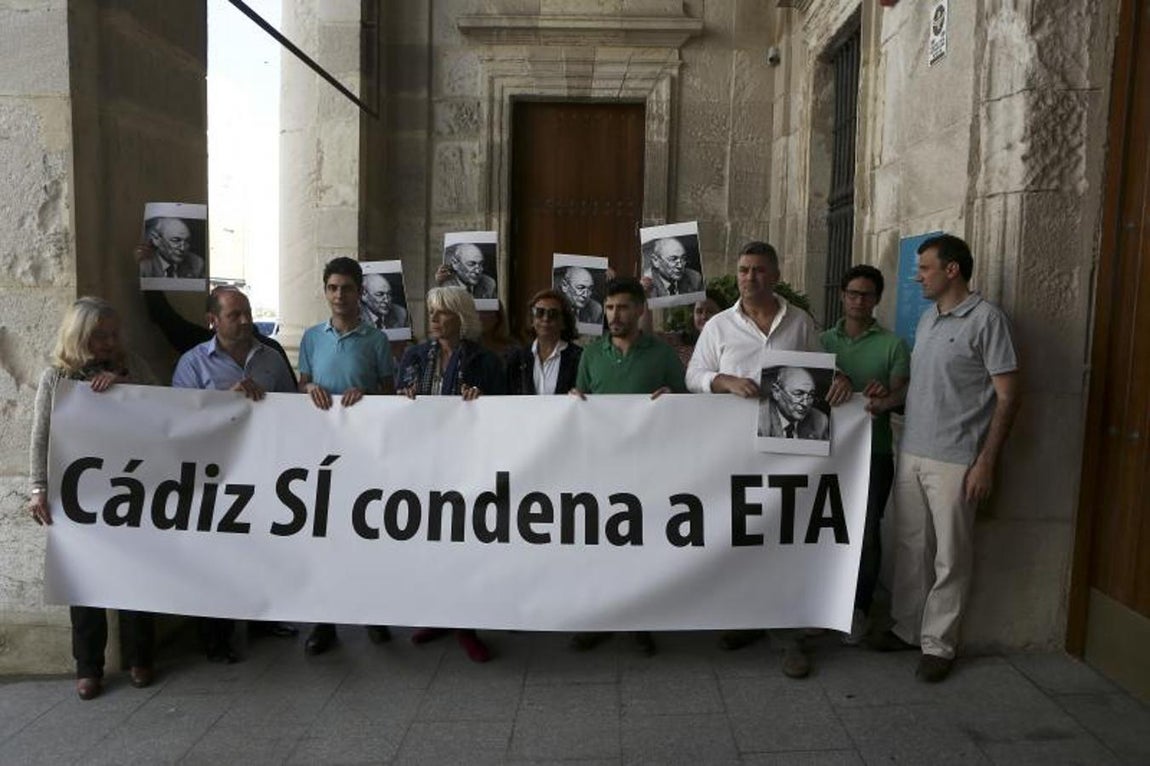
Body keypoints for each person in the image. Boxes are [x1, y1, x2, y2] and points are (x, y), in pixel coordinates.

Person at [685, 241, 852, 679]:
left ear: (775, 275)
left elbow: (822, 372)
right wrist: (722, 380)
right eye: (743, 270)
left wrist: (841, 380)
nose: (750, 277)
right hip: (732, 453)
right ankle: (747, 620)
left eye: (759, 270)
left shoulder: (799, 322)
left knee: (783, 538)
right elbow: (693, 375)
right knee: (741, 536)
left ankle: (787, 635)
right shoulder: (719, 326)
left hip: (787, 454)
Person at [869, 234, 1019, 683]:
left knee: (950, 556)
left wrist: (987, 462)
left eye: (926, 268)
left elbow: (1009, 396)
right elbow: (921, 386)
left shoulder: (987, 320)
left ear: (952, 270)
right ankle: (906, 628)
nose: (917, 277)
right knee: (912, 547)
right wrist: (886, 400)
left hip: (958, 459)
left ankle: (939, 644)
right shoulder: (930, 320)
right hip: (912, 449)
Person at [27, 297, 157, 700]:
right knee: (85, 583)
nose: (108, 342)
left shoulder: (132, 367)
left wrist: (125, 388)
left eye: (113, 334)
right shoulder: (57, 377)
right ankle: (88, 667)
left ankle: (140, 658)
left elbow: (162, 408)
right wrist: (38, 487)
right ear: (80, 335)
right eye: (99, 335)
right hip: (80, 495)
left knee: (137, 576)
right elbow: (42, 434)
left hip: (131, 491)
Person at [171, 286, 299, 663]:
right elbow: (179, 419)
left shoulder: (272, 358)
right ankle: (216, 637)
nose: (245, 321)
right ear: (213, 320)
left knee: (263, 547)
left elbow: (293, 408)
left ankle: (264, 620)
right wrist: (226, 398)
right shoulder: (192, 364)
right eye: (234, 315)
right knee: (219, 557)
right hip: (217, 473)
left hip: (264, 467)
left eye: (246, 313)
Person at [568, 276, 687, 657]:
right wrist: (574, 401)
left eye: (622, 307)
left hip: (647, 466)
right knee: (601, 545)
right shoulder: (591, 354)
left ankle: (640, 621)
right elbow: (581, 398)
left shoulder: (662, 354)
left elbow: (685, 401)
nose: (613, 315)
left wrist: (672, 397)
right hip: (601, 467)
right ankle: (600, 619)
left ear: (639, 310)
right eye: (608, 308)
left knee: (641, 544)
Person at [396, 286, 505, 663]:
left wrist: (483, 402)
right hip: (425, 464)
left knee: (464, 545)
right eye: (431, 312)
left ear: (461, 316)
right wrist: (404, 397)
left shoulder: (485, 361)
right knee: (431, 545)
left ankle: (466, 625)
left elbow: (507, 410)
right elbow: (396, 403)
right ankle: (438, 615)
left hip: (467, 465)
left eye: (443, 312)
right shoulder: (414, 356)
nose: (435, 319)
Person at [298, 257, 396, 655]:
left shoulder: (376, 340)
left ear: (360, 292)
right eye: (333, 288)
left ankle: (373, 612)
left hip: (364, 451)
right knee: (326, 535)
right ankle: (325, 621)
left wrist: (367, 397)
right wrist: (309, 391)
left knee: (367, 531)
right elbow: (302, 382)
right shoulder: (310, 338)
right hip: (323, 452)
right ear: (325, 291)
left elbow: (390, 395)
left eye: (348, 288)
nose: (340, 295)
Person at [819, 265, 910, 644]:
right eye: (853, 293)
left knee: (867, 532)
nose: (859, 301)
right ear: (842, 295)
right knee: (821, 531)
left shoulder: (893, 345)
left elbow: (902, 393)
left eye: (867, 295)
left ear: (877, 299)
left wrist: (882, 399)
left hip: (873, 453)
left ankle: (858, 607)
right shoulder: (821, 342)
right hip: (824, 452)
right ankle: (822, 602)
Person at [505, 290, 582, 395]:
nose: (545, 318)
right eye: (539, 312)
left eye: (553, 314)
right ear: (532, 320)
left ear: (564, 322)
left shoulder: (579, 357)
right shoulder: (517, 358)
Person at [757, 366, 830, 440]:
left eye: (811, 395)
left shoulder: (820, 420)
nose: (805, 403)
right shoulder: (758, 421)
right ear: (777, 392)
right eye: (798, 394)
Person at [139, 217, 205, 279]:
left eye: (187, 241)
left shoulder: (196, 263)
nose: (182, 248)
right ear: (156, 239)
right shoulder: (144, 266)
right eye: (176, 240)